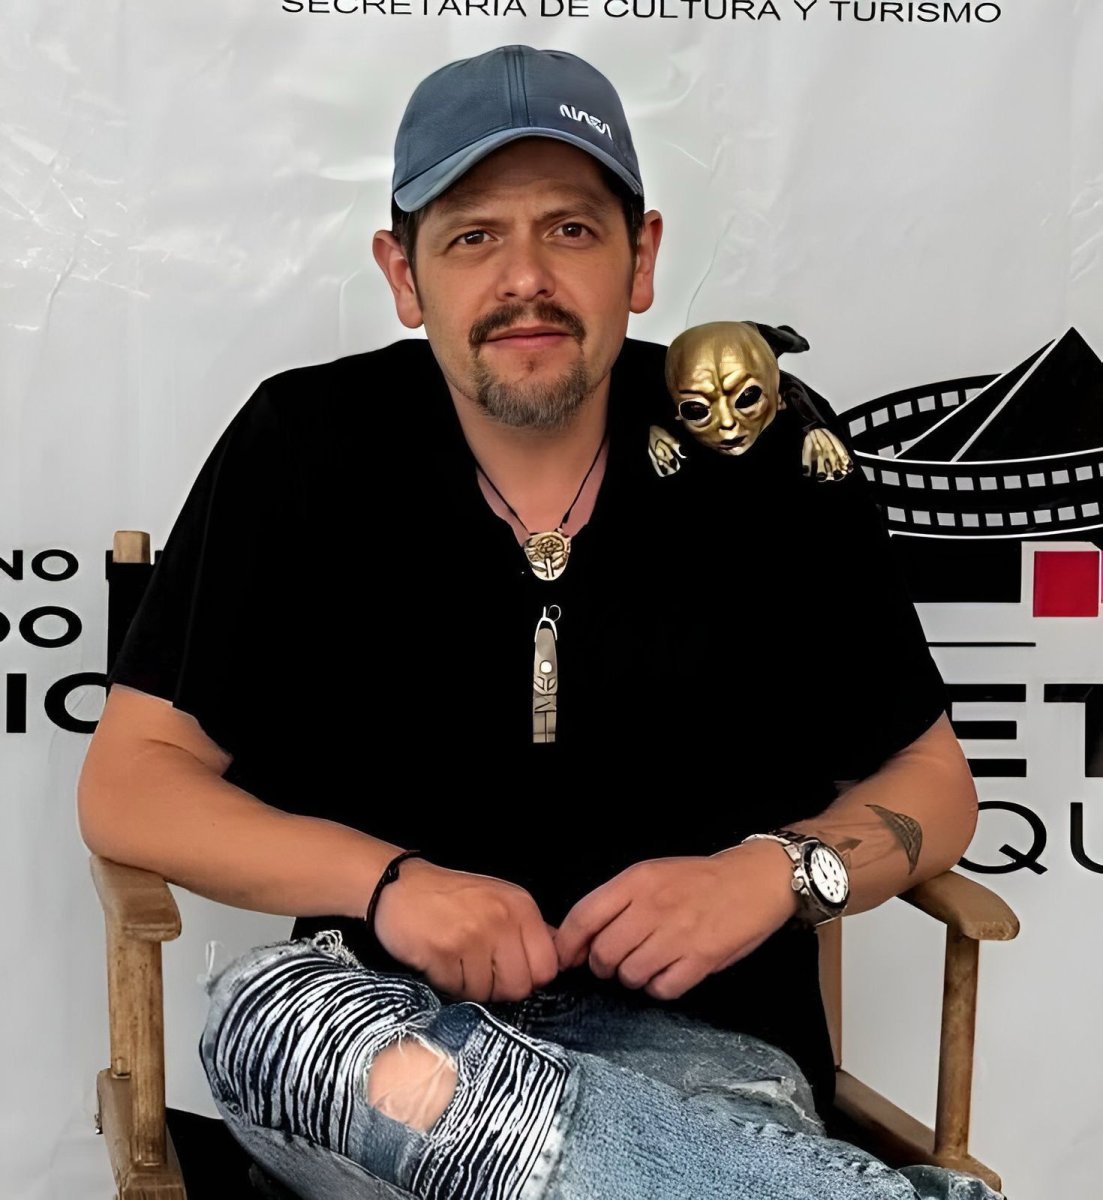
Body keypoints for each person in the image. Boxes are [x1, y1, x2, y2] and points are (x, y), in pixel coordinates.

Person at [78, 43, 999, 1200]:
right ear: (403, 274)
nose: (525, 277)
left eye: (569, 229)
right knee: (270, 1021)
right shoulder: (303, 445)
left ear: (639, 258)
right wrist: (389, 885)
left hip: (695, 1072)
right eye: (472, 236)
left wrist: (771, 874)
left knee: (632, 1151)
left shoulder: (760, 448)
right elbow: (132, 780)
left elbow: (931, 783)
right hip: (393, 1056)